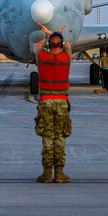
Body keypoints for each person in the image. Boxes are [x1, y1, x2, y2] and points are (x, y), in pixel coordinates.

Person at [33, 24, 72, 183]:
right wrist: (55, 34)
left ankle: (47, 173)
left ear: (49, 44)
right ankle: (60, 174)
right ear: (61, 45)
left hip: (45, 101)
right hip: (62, 102)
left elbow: (38, 46)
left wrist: (47, 35)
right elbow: (68, 45)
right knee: (60, 137)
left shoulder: (42, 57)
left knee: (47, 138)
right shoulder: (66, 57)